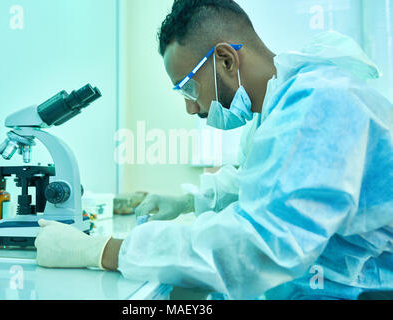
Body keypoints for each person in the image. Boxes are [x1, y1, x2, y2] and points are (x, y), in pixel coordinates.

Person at [34, 0, 393, 300]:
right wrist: (189, 202)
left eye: (188, 89)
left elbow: (258, 247)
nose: (192, 108)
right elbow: (261, 183)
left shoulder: (319, 103)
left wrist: (102, 251)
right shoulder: (281, 106)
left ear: (225, 59)